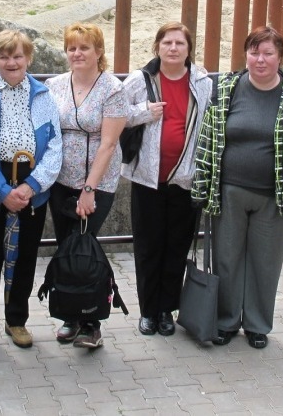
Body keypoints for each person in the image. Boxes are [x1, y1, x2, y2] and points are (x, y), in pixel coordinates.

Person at [191, 25, 283, 349]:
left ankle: (258, 324)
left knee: (265, 263)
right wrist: (201, 186)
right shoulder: (227, 88)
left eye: (268, 53)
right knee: (227, 259)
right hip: (229, 192)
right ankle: (226, 321)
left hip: (274, 196)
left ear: (280, 57)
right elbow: (207, 138)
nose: (260, 59)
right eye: (254, 52)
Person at [0, 30, 62, 357]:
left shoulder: (43, 95)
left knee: (24, 258)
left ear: (29, 59)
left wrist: (31, 186)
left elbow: (55, 146)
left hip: (31, 190)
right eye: (4, 56)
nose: (11, 62)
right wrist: (2, 192)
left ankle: (16, 321)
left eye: (18, 56)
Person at [122, 22, 212, 337]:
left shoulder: (202, 82)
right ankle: (148, 311)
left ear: (189, 49)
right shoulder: (140, 80)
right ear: (157, 46)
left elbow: (210, 124)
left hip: (185, 180)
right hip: (147, 180)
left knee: (176, 248)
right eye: (167, 42)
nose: (173, 48)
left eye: (179, 43)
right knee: (148, 247)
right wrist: (144, 112)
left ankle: (166, 311)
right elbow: (117, 114)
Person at [45, 22, 127, 349]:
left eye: (84, 48)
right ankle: (71, 315)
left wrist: (89, 189)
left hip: (97, 182)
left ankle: (92, 321)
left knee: (85, 251)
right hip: (60, 180)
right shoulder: (54, 85)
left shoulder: (112, 89)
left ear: (98, 51)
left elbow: (109, 143)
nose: (77, 53)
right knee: (66, 248)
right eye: (72, 48)